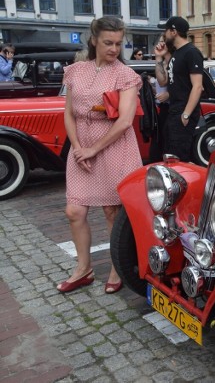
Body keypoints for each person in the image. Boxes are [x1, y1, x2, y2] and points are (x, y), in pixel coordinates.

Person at [57, 16, 142, 294]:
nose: (114, 49)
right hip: (81, 147)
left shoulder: (125, 75)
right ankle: (84, 269)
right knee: (74, 210)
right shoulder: (76, 71)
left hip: (115, 147)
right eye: (108, 42)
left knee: (112, 211)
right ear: (93, 40)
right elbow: (69, 113)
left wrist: (93, 148)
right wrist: (78, 146)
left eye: (118, 43)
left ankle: (118, 267)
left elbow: (125, 120)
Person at [154, 16, 203, 163]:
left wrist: (186, 114)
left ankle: (184, 184)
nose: (164, 34)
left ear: (173, 32)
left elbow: (198, 86)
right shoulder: (176, 53)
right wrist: (158, 59)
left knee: (179, 157)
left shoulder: (191, 52)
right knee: (170, 154)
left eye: (166, 31)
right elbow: (163, 82)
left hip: (183, 111)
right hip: (173, 110)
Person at [149, 36, 171, 162]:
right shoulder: (163, 62)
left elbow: (184, 85)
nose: (161, 44)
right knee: (158, 144)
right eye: (159, 42)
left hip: (173, 108)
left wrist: (169, 94)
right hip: (162, 108)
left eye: (163, 41)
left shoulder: (175, 62)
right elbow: (162, 82)